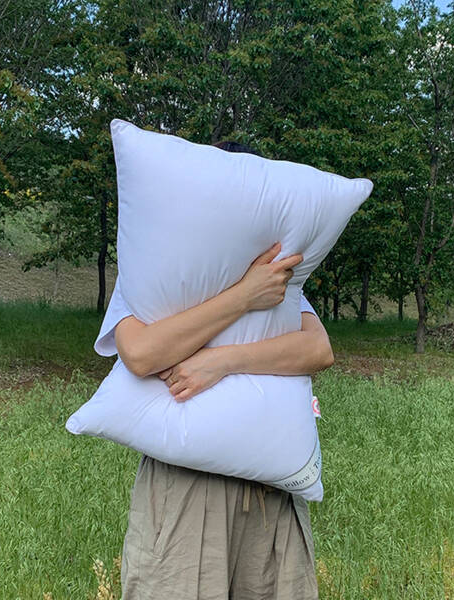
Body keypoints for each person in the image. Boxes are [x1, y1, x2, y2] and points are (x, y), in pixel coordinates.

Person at [95, 141, 334, 599]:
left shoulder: (278, 278)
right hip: (185, 490)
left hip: (269, 487)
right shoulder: (153, 270)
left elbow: (317, 349)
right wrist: (244, 297)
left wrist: (220, 362)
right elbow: (140, 353)